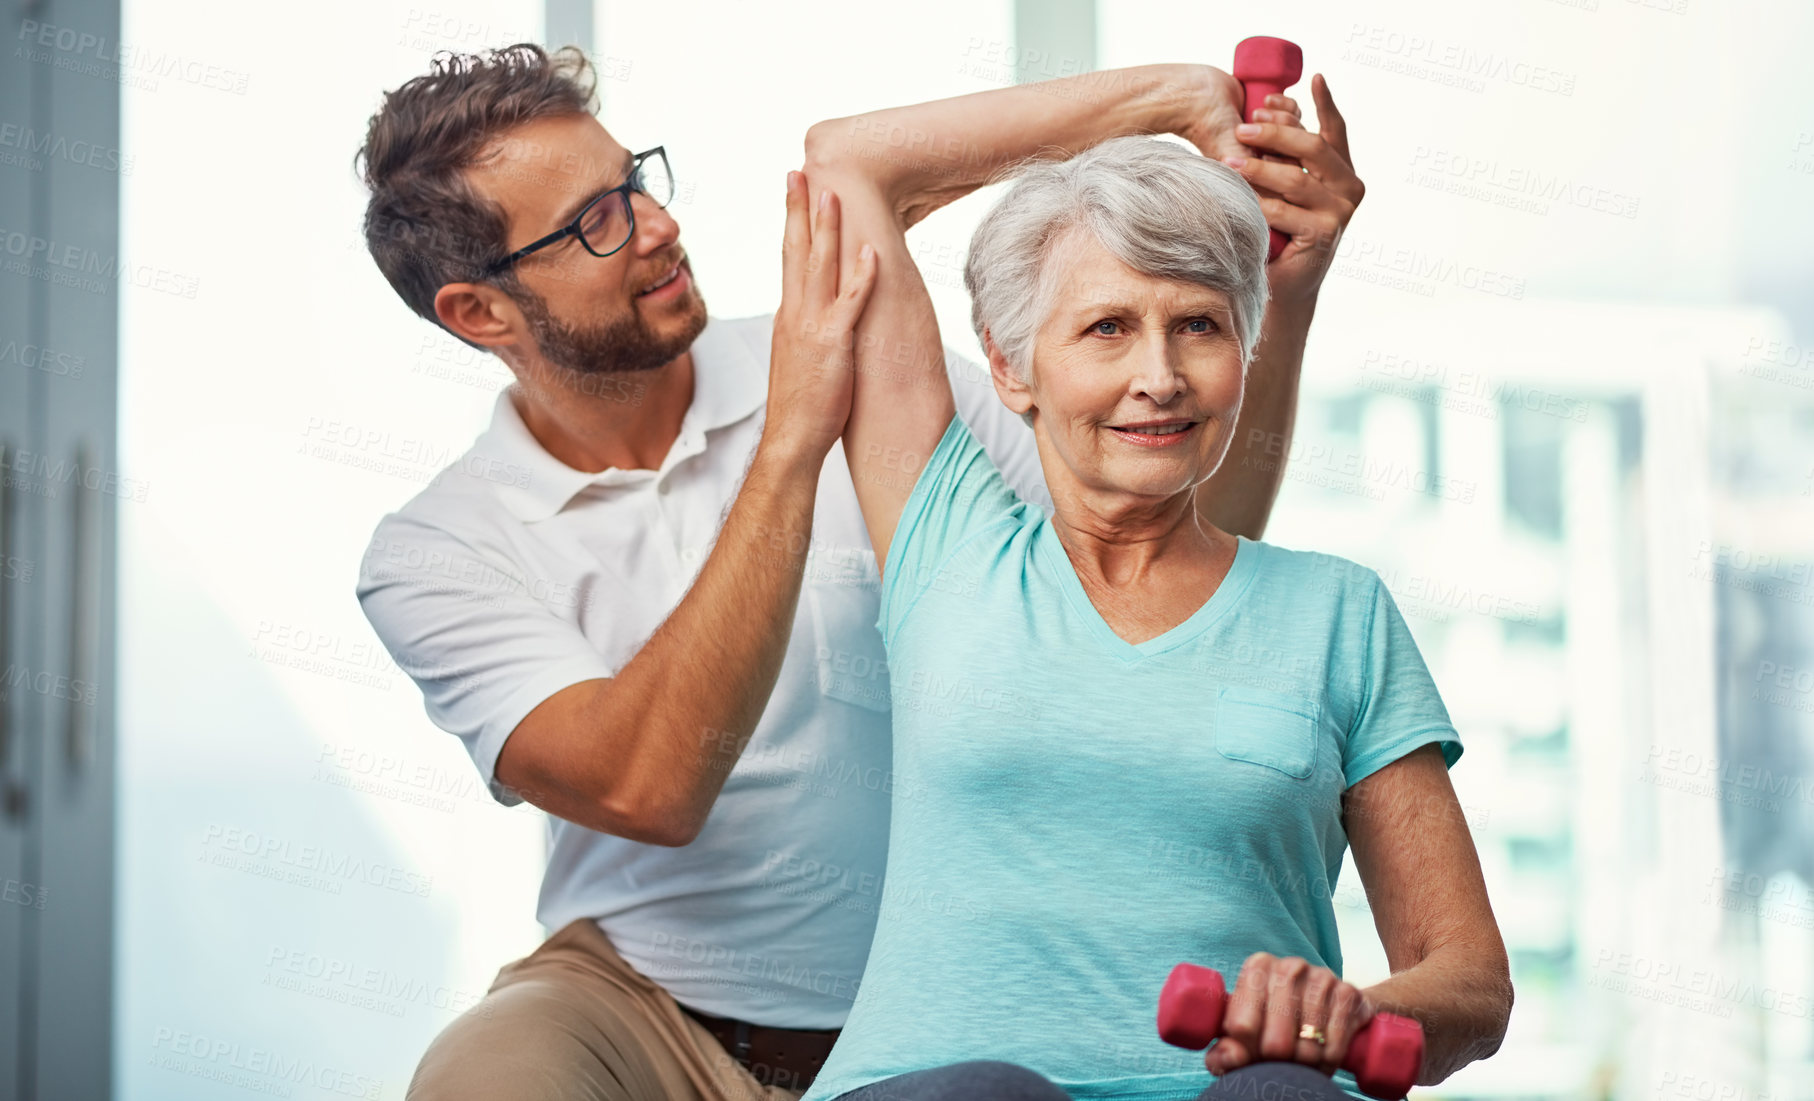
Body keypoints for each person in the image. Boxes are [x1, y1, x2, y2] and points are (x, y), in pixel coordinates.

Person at [352, 43, 1356, 1101]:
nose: (655, 226)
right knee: (480, 1078)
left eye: (633, 183)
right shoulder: (437, 551)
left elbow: (1180, 554)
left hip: (961, 988)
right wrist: (790, 437)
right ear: (480, 313)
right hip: (653, 1009)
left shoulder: (874, 378)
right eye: (593, 221)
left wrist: (1272, 283)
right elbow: (646, 784)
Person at [783, 91, 1512, 1101]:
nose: (1159, 375)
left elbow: (1470, 981)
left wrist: (1351, 1012)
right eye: (1107, 328)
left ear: (1242, 356)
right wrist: (1174, 99)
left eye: (1198, 327)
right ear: (1009, 365)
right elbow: (847, 162)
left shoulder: (1335, 614)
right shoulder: (944, 539)